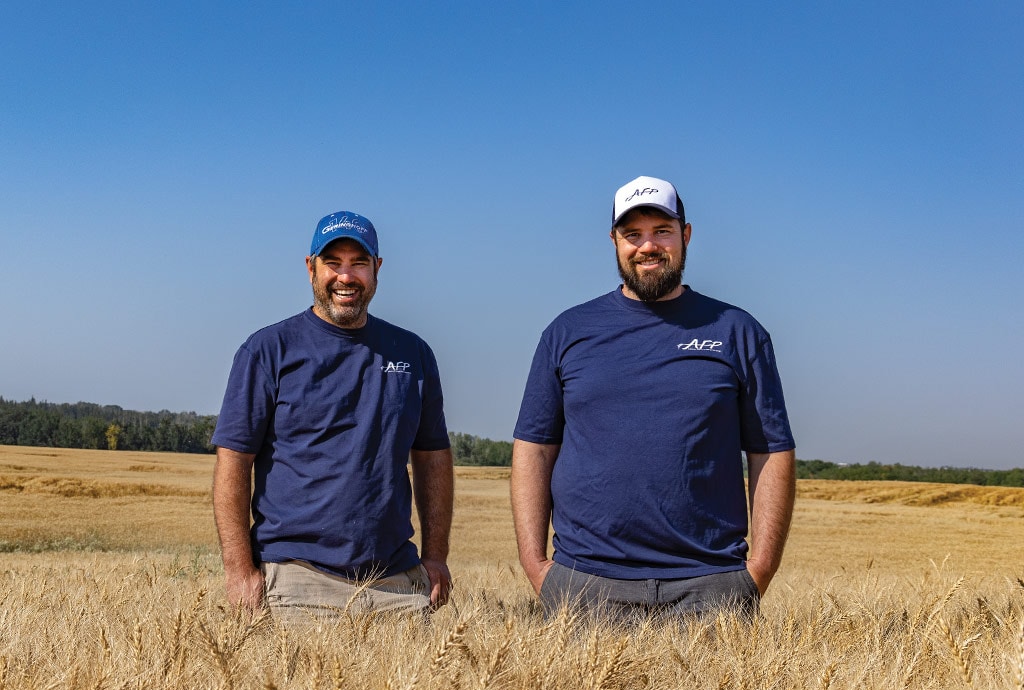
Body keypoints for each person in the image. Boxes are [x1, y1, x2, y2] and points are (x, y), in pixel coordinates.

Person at [511, 176, 796, 621]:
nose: (648, 246)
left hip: (710, 586)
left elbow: (771, 452)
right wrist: (537, 566)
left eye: (662, 231)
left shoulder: (737, 331)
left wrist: (756, 572)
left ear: (685, 235)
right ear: (614, 241)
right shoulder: (567, 333)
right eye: (632, 234)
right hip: (584, 585)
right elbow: (534, 448)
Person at [211, 210, 454, 622]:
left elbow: (433, 459)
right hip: (294, 580)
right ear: (311, 268)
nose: (346, 276)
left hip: (395, 583)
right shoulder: (267, 351)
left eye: (359, 263)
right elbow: (234, 463)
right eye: (332, 262)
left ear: (377, 270)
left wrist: (435, 556)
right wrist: (239, 570)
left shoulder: (412, 354)